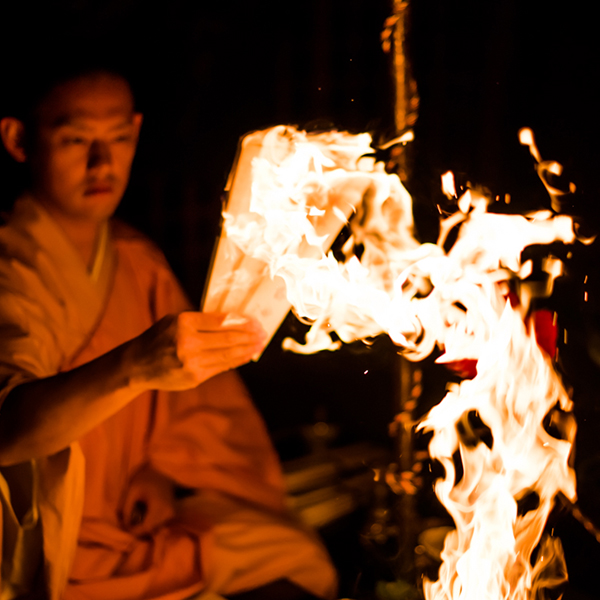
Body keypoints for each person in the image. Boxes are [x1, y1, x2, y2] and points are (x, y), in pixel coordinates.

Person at [0, 65, 337, 600]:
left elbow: (194, 420)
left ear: (136, 131)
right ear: (18, 139)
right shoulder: (12, 268)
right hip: (48, 546)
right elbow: (8, 429)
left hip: (128, 526)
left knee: (293, 555)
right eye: (76, 140)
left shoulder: (135, 260)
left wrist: (158, 474)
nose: (102, 163)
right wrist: (133, 367)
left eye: (117, 138)